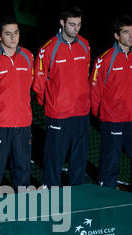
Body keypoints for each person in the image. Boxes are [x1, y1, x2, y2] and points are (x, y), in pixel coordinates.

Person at [90, 15, 132, 196]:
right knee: (110, 164)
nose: (131, 36)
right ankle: (107, 201)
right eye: (126, 32)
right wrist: (102, 115)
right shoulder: (104, 60)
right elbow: (94, 91)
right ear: (117, 36)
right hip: (113, 120)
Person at [33, 6, 90, 188]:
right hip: (58, 114)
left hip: (81, 113)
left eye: (79, 24)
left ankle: (77, 195)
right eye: (72, 24)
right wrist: (50, 104)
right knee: (54, 160)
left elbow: (85, 75)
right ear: (62, 23)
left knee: (79, 159)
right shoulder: (48, 49)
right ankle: (51, 195)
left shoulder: (85, 45)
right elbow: (39, 83)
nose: (76, 28)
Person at [0, 16, 34, 192]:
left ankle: (23, 210)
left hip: (23, 126)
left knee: (23, 170)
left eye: (16, 33)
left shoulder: (28, 56)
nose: (13, 38)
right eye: (8, 34)